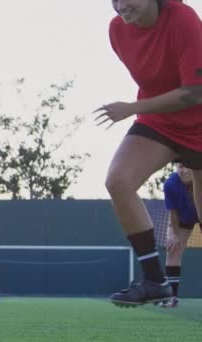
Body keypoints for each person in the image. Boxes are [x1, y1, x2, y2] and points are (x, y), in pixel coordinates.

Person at [95, 0, 202, 306]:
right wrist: (140, 110)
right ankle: (155, 280)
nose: (120, 4)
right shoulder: (117, 31)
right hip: (162, 121)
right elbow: (157, 81)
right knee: (118, 180)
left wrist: (132, 108)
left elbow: (196, 91)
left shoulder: (183, 17)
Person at [161, 163, 200, 308]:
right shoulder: (170, 184)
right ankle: (172, 297)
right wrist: (174, 234)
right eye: (180, 167)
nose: (184, 171)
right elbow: (173, 213)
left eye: (187, 166)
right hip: (184, 218)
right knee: (173, 249)